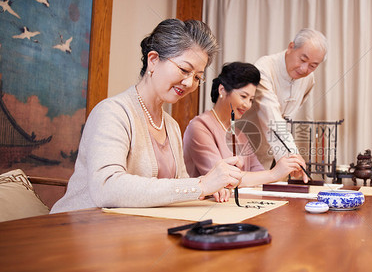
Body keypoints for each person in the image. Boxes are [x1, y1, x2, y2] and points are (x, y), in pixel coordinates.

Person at [51, 19, 243, 213]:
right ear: (153, 60)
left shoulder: (171, 125)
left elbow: (182, 185)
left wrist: (209, 187)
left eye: (197, 77)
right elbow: (106, 188)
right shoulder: (112, 112)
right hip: (81, 228)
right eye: (184, 70)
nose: (188, 83)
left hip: (133, 231)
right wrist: (200, 186)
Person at [183, 62, 309, 186]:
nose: (247, 105)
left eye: (251, 100)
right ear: (222, 90)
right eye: (243, 96)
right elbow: (222, 179)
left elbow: (259, 174)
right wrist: (275, 173)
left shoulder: (239, 134)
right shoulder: (199, 128)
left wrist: (287, 166)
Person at [244, 28, 328, 169]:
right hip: (246, 147)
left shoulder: (308, 79)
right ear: (291, 47)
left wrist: (289, 157)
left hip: (275, 154)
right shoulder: (264, 68)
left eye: (312, 66)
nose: (304, 69)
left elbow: (287, 118)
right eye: (302, 60)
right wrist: (292, 154)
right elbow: (271, 115)